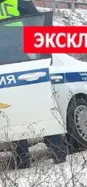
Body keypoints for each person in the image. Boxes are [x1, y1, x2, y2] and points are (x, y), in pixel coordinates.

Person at [1, 0, 68, 169]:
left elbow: (38, 23)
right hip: (7, 66)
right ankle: (22, 157)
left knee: (40, 106)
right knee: (14, 112)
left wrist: (36, 52)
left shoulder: (17, 1)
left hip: (25, 62)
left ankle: (57, 150)